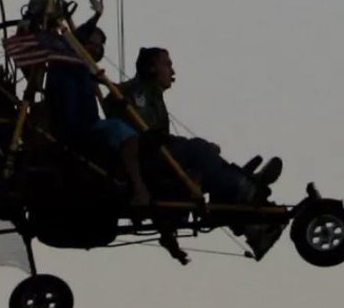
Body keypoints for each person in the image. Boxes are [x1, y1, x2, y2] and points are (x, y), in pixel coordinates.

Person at [104, 46, 284, 260]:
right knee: (199, 150)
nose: (173, 71)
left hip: (154, 160)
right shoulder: (134, 92)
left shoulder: (154, 97)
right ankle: (243, 185)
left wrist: (170, 241)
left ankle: (253, 225)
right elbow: (146, 137)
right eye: (167, 64)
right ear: (152, 67)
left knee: (207, 164)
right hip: (141, 163)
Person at [43, 0, 152, 208]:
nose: (96, 49)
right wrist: (96, 16)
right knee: (128, 136)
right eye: (92, 44)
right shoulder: (67, 59)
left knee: (131, 137)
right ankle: (139, 188)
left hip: (85, 124)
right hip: (74, 126)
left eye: (99, 46)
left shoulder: (86, 71)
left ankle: (132, 183)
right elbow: (73, 39)